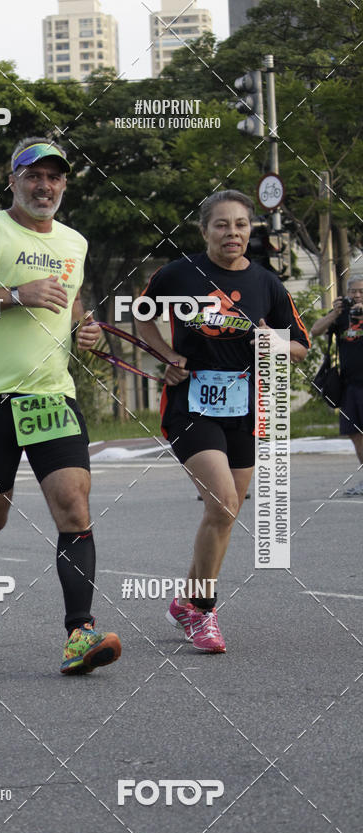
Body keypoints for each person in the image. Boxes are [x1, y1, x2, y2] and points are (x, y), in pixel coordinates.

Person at [0, 136, 121, 675]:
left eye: (55, 176)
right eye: (34, 175)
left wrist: (85, 330)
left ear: (64, 183)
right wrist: (17, 294)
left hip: (50, 396)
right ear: (12, 180)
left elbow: (72, 300)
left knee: (74, 506)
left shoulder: (74, 242)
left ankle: (79, 632)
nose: (45, 185)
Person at [135, 190, 310, 653]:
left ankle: (187, 600)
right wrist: (167, 355)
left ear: (250, 230)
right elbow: (141, 317)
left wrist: (270, 341)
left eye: (240, 225)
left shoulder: (266, 284)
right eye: (222, 225)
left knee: (227, 511)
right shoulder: (177, 275)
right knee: (223, 502)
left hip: (247, 407)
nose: (232, 233)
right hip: (190, 404)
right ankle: (204, 612)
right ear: (204, 230)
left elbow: (300, 347)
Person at [311, 276, 363, 495]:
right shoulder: (342, 316)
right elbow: (315, 331)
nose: (357, 295)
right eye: (353, 291)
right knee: (354, 433)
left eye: (361, 291)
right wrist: (334, 313)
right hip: (350, 384)